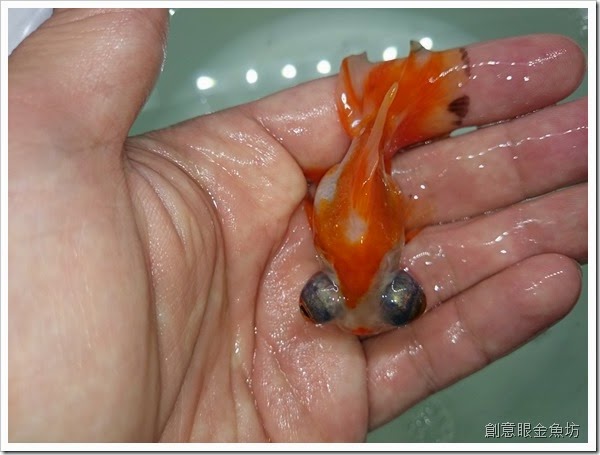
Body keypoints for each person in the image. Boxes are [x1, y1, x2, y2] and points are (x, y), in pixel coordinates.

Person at [8, 9, 587, 442]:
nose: (360, 323)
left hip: (359, 184)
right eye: (400, 301)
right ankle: (396, 105)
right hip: (358, 186)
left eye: (320, 302)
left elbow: (332, 209)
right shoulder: (364, 230)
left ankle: (396, 106)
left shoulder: (357, 228)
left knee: (374, 144)